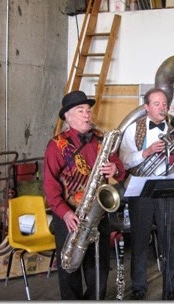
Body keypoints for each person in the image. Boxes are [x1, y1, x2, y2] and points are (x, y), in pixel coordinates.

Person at [43, 90, 126, 300]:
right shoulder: (56, 145)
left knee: (98, 268)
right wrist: (65, 214)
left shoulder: (101, 139)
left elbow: (119, 167)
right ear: (68, 117)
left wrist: (114, 170)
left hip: (98, 214)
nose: (87, 115)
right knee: (69, 269)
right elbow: (50, 186)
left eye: (88, 110)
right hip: (70, 217)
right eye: (80, 111)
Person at [119, 87, 174, 300]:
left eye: (164, 104)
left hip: (168, 189)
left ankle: (171, 289)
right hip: (142, 190)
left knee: (170, 242)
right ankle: (138, 288)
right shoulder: (133, 130)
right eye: (156, 104)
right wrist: (146, 152)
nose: (162, 107)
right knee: (139, 241)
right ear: (146, 107)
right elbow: (124, 160)